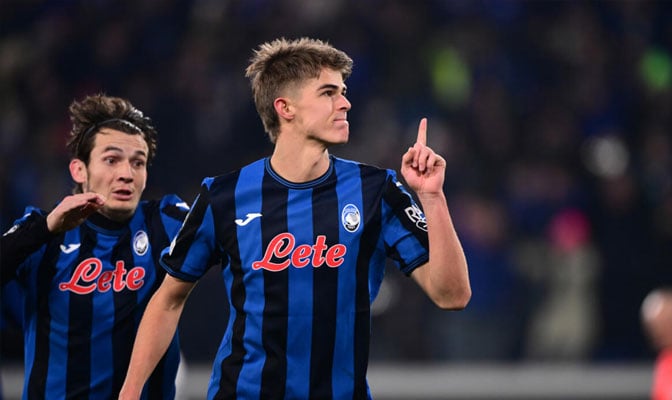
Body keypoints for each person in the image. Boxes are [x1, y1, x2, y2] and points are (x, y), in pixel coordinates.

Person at [120, 37, 471, 400]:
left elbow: (452, 294)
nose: (345, 102)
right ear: (286, 108)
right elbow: (167, 299)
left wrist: (432, 197)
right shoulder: (224, 196)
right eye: (328, 93)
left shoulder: (376, 191)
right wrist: (130, 392)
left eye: (344, 91)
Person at [1, 94, 191, 399]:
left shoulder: (166, 222)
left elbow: (238, 237)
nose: (126, 174)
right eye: (111, 159)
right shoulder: (40, 233)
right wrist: (45, 228)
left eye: (138, 162)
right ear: (79, 170)